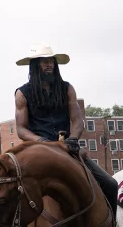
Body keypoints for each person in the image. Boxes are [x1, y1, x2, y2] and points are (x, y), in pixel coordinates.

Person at [14, 42, 118, 220]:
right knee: (11, 192)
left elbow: (77, 120)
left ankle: (112, 223)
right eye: (44, 61)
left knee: (110, 184)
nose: (50, 65)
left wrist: (74, 139)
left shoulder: (67, 88)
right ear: (35, 65)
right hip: (38, 150)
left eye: (52, 61)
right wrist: (42, 142)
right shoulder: (22, 93)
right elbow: (21, 129)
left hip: (68, 149)